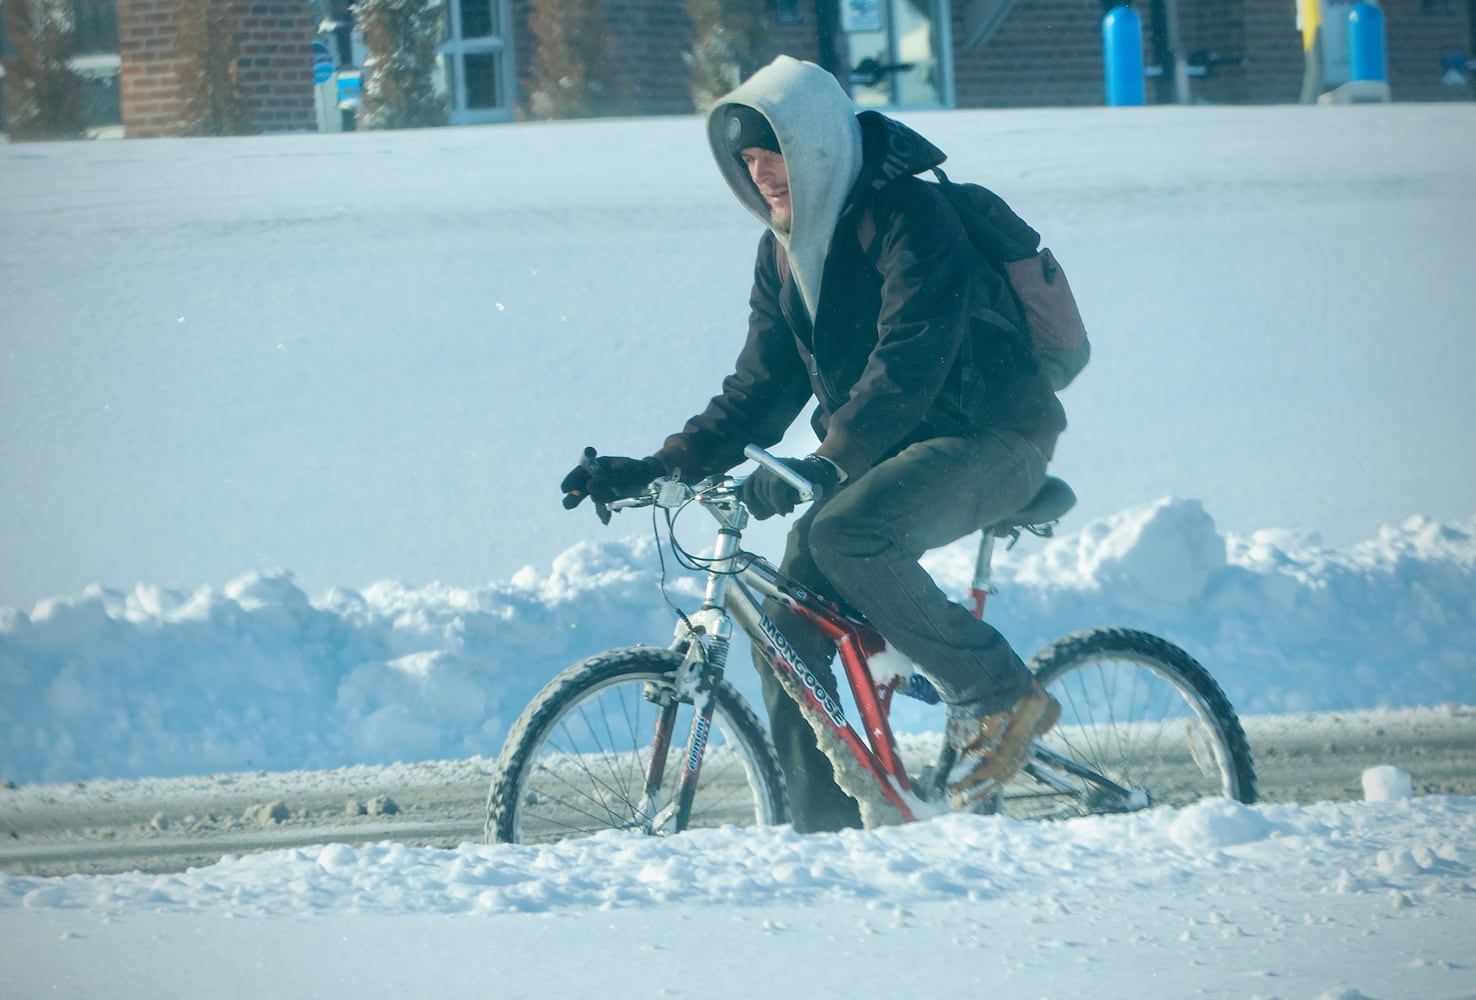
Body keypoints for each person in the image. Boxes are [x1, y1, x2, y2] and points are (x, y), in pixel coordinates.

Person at [560, 55, 1064, 832]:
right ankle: (821, 836)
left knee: (845, 531)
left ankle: (1002, 694)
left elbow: (911, 360)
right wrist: (663, 466)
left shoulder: (910, 217)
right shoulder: (785, 252)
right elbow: (759, 389)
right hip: (890, 454)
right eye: (748, 160)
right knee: (785, 626)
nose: (762, 172)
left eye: (775, 153)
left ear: (818, 144)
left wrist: (828, 461)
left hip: (993, 436)